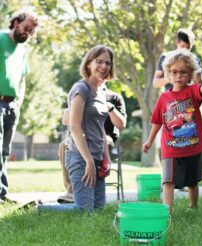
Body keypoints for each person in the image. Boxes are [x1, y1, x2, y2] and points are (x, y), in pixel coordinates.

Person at [38, 45, 118, 211]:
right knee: (85, 211)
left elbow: (100, 128)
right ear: (89, 63)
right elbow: (74, 126)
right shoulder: (81, 88)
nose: (104, 66)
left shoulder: (101, 91)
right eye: (99, 62)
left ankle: (45, 208)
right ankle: (40, 209)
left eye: (108, 63)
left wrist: (107, 157)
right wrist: (88, 160)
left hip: (97, 157)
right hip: (80, 157)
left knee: (98, 209)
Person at [143, 49, 202, 212]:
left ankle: (193, 207)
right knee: (167, 181)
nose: (178, 75)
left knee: (192, 181)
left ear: (190, 74)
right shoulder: (164, 98)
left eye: (183, 72)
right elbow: (157, 121)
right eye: (174, 72)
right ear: (167, 74)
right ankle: (167, 212)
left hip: (191, 145)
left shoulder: (192, 91)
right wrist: (149, 141)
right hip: (170, 147)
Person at [57, 87, 127, 204]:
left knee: (102, 141)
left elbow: (121, 124)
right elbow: (65, 120)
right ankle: (71, 191)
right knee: (64, 145)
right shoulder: (81, 93)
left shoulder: (114, 97)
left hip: (106, 136)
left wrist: (110, 108)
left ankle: (90, 192)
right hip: (82, 135)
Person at [0, 10, 38, 204]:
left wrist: (20, 102)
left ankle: (2, 194)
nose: (27, 34)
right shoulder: (0, 39)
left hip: (12, 105)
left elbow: (23, 79)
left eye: (30, 32)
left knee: (5, 150)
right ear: (15, 22)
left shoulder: (22, 50)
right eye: (26, 29)